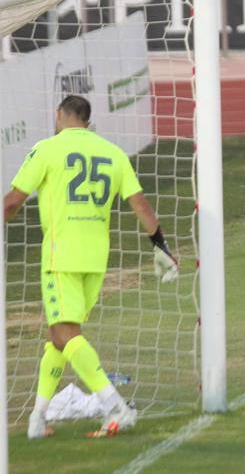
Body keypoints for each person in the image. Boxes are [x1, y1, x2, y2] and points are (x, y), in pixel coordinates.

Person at [2, 95, 180, 439]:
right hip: (96, 259)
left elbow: (11, 202)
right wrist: (160, 243)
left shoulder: (47, 149)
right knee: (58, 337)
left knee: (67, 334)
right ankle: (37, 419)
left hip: (60, 258)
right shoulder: (112, 153)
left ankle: (116, 407)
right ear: (88, 120)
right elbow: (139, 202)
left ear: (59, 116)